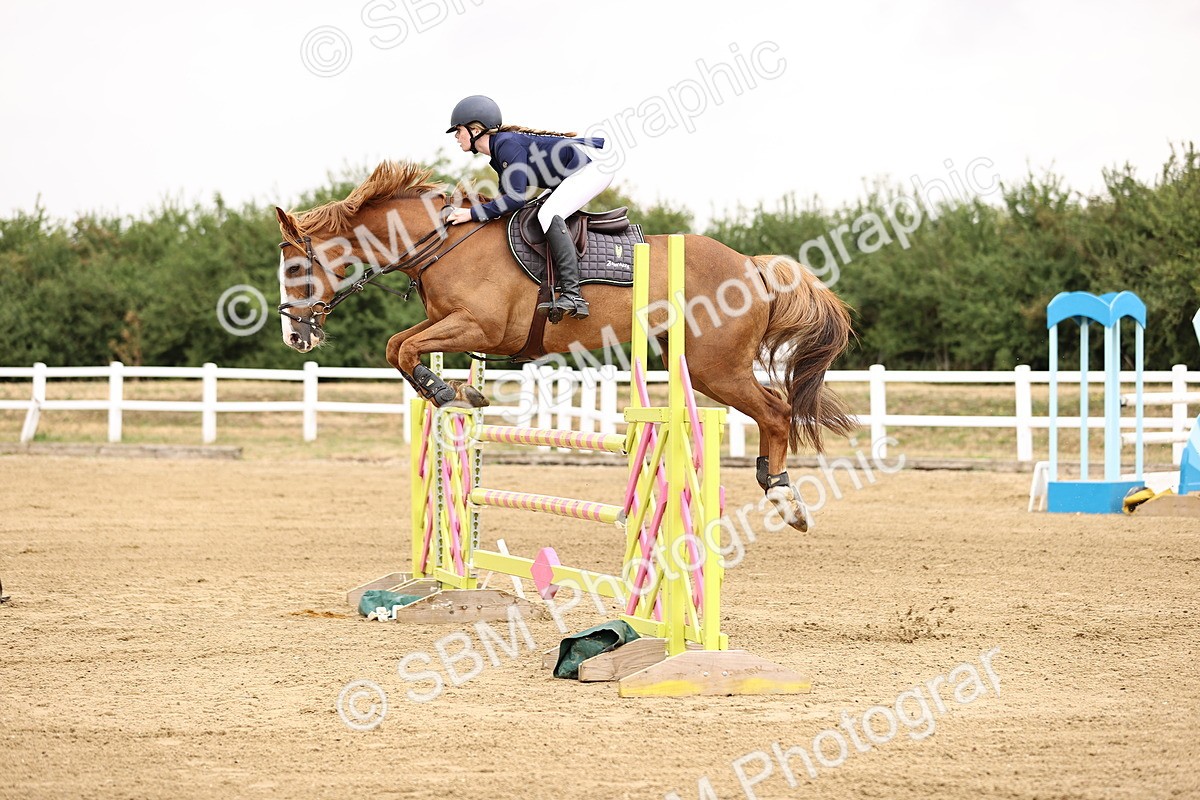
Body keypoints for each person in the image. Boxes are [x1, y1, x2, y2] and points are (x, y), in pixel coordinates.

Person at [444, 95, 612, 320]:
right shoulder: (499, 152)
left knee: (548, 214)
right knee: (536, 213)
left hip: (594, 167)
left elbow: (515, 199)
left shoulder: (506, 145)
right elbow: (507, 202)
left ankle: (573, 295)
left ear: (475, 129)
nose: (456, 137)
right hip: (573, 172)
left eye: (458, 130)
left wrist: (471, 213)